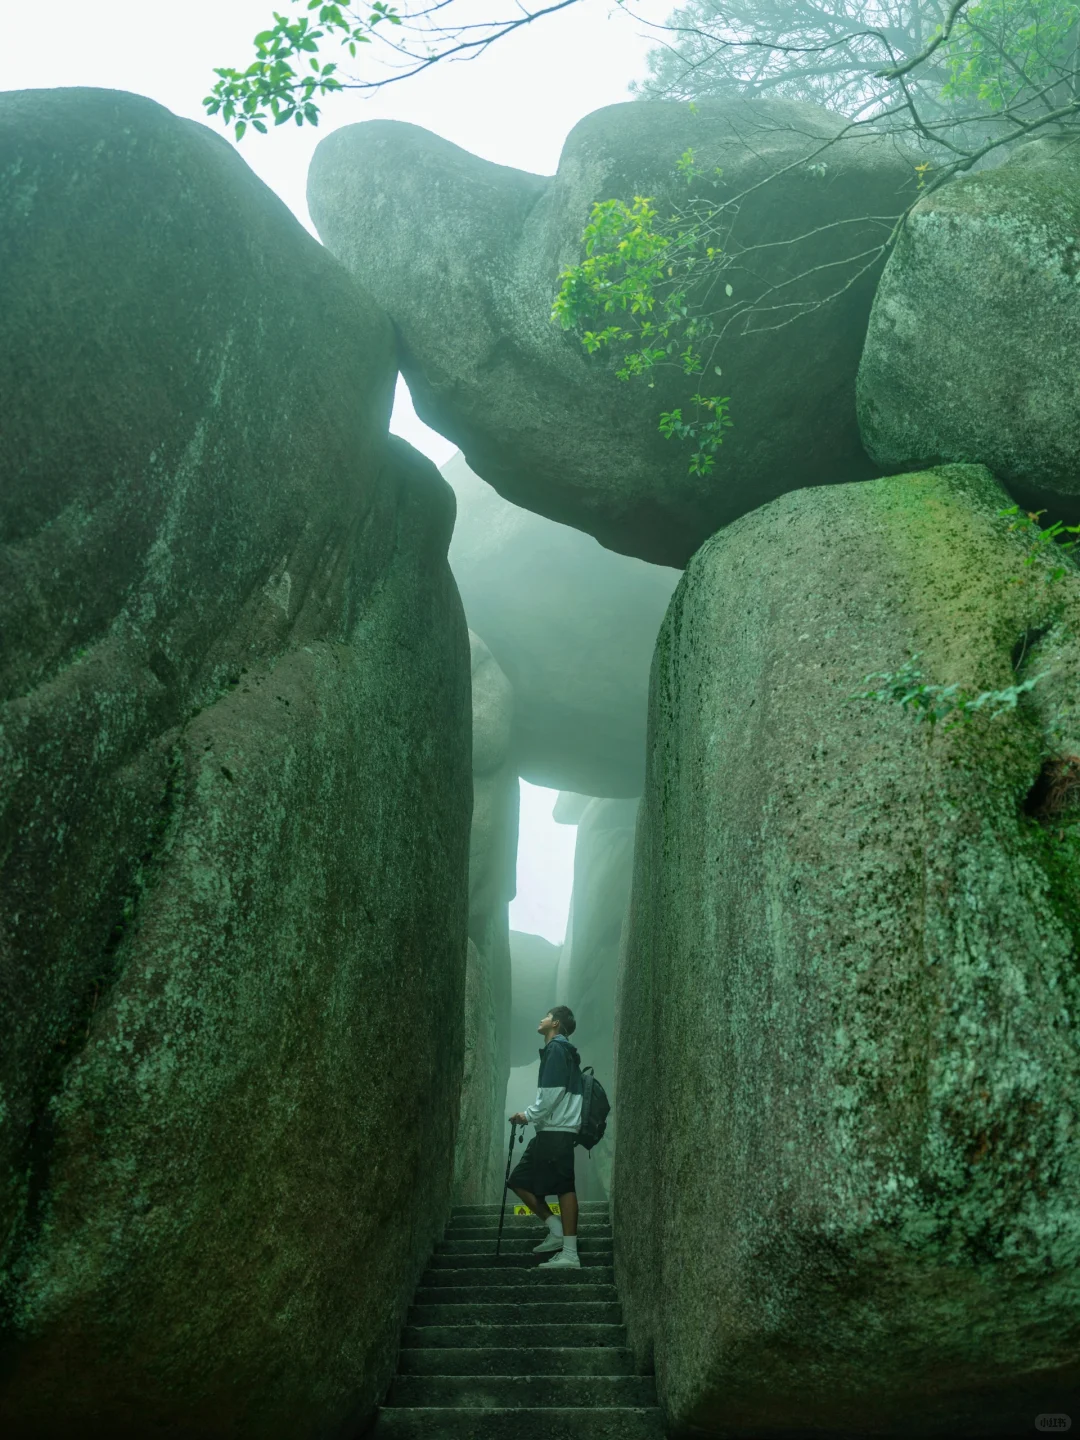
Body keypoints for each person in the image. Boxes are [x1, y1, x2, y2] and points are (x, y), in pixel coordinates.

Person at [508, 1005, 583, 1269]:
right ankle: (556, 1229)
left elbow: (553, 1092)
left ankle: (570, 1254)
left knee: (564, 1186)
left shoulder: (556, 1049)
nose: (541, 1019)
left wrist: (527, 1115)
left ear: (555, 1023)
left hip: (557, 1129)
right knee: (518, 1180)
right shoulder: (562, 1051)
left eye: (547, 1016)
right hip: (551, 1129)